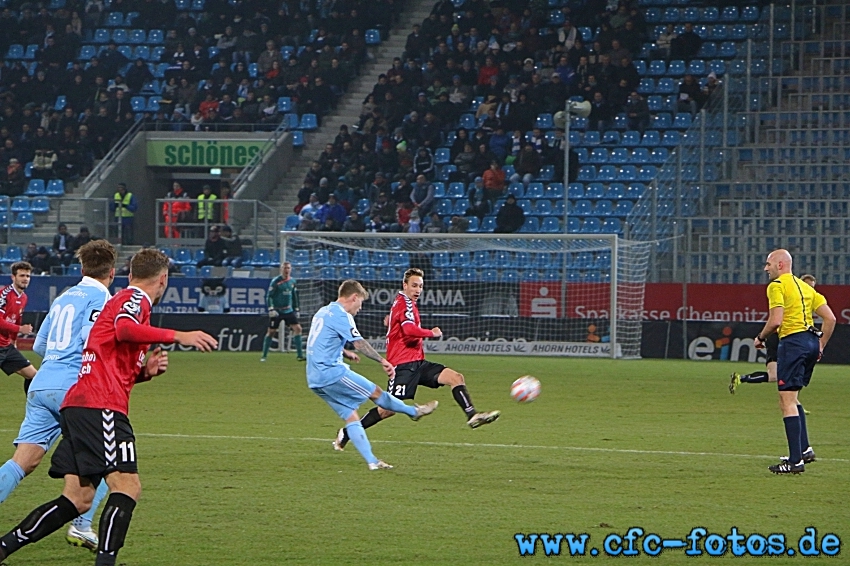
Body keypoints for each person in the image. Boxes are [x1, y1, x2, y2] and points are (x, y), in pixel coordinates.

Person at [0, 249, 217, 566]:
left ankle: (4, 546)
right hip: (99, 405)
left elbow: (109, 361)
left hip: (78, 403)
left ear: (128, 273)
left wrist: (145, 372)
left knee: (78, 498)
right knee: (127, 486)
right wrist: (179, 335)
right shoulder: (135, 299)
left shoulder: (113, 300)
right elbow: (124, 329)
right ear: (163, 279)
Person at [0, 241, 116, 551]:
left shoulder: (65, 296)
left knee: (21, 462)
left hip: (42, 383)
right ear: (112, 272)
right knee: (109, 456)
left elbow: (39, 345)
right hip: (73, 389)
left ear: (81, 269)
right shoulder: (102, 297)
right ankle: (81, 525)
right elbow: (92, 341)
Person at [333, 269, 499, 452]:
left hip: (418, 362)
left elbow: (400, 325)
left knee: (455, 378)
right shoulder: (405, 304)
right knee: (387, 410)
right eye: (414, 285)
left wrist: (391, 323)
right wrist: (432, 333)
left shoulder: (402, 302)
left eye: (420, 286)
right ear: (405, 285)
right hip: (403, 366)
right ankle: (348, 432)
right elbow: (409, 330)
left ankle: (472, 415)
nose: (418, 289)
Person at [310, 279, 438, 470]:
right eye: (360, 302)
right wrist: (382, 360)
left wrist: (344, 352)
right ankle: (414, 412)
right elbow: (360, 343)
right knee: (377, 393)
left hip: (314, 378)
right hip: (331, 373)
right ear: (354, 297)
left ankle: (372, 462)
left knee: (351, 415)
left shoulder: (322, 312)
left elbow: (317, 341)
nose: (360, 308)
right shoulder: (342, 315)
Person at [753, 251, 835, 474]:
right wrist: (821, 345)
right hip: (810, 341)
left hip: (793, 343)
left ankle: (795, 461)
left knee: (786, 400)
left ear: (780, 264)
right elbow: (830, 318)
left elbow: (776, 320)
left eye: (768, 264)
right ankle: (805, 449)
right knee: (794, 397)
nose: (765, 268)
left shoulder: (777, 286)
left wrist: (760, 338)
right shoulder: (806, 287)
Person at [730, 274, 817, 394]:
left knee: (790, 373)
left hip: (793, 338)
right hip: (779, 337)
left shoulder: (809, 300)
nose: (810, 289)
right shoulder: (792, 297)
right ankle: (793, 404)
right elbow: (777, 319)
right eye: (808, 286)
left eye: (812, 287)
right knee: (777, 375)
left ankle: (794, 403)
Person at [0, 262, 37, 393]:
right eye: (22, 275)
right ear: (13, 277)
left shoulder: (24, 297)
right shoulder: (4, 295)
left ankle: (33, 410)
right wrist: (20, 329)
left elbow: (17, 319)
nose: (25, 278)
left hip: (5, 346)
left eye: (27, 276)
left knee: (33, 375)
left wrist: (14, 339)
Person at [262, 262, 304, 362]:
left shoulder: (292, 281)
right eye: (285, 268)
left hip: (288, 310)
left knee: (298, 328)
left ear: (291, 269)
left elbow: (294, 296)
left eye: (288, 268)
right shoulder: (276, 281)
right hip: (277, 311)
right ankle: (264, 356)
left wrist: (296, 308)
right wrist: (271, 308)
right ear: (281, 270)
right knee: (271, 332)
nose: (287, 270)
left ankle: (300, 355)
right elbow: (269, 296)